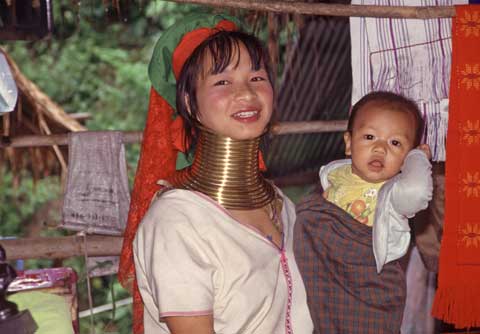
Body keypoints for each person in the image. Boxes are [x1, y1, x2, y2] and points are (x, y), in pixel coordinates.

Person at [118, 13, 313, 334]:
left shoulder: (279, 204)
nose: (247, 94)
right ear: (189, 104)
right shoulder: (178, 221)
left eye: (257, 77)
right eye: (222, 81)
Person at [294, 91, 433, 333]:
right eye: (369, 137)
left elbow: (419, 192)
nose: (380, 149)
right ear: (349, 143)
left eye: (395, 143)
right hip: (328, 281)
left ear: (408, 156)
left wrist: (419, 159)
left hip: (369, 286)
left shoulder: (395, 192)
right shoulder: (334, 174)